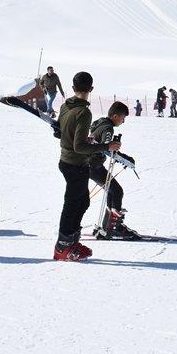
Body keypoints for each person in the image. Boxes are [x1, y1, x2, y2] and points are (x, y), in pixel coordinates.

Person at [54, 71, 121, 261]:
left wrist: (80, 137)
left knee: (82, 201)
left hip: (67, 161)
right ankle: (63, 247)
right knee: (72, 204)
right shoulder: (84, 112)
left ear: (73, 88)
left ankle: (71, 241)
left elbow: (59, 133)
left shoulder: (66, 106)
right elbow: (80, 147)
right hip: (76, 164)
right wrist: (106, 146)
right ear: (91, 89)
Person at [89, 101, 138, 240]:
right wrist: (125, 158)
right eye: (123, 118)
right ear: (116, 116)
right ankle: (114, 227)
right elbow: (107, 147)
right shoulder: (108, 128)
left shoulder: (100, 122)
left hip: (90, 164)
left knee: (112, 191)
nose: (123, 121)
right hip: (93, 165)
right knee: (117, 191)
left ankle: (107, 226)